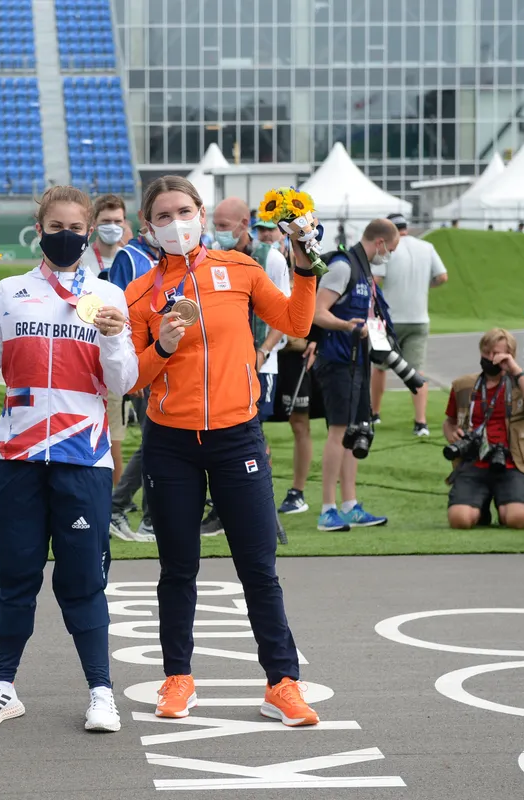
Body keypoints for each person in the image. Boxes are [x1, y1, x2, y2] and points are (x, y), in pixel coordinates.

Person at [124, 175, 321, 726]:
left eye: (183, 211)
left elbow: (296, 322)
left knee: (258, 567)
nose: (176, 223)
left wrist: (305, 266)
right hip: (170, 444)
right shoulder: (139, 293)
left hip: (238, 437)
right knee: (177, 568)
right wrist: (162, 343)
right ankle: (177, 679)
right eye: (162, 216)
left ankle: (282, 683)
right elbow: (131, 379)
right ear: (148, 227)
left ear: (203, 212)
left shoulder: (241, 269)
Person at [0, 185, 137, 731]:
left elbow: (122, 383)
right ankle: (1, 686)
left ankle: (102, 692)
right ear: (40, 230)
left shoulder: (108, 297)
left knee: (83, 581)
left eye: (77, 226)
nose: (67, 235)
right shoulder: (9, 291)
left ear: (90, 228)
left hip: (84, 456)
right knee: (17, 575)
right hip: (19, 454)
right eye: (56, 226)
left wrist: (117, 341)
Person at [197, 196, 291, 538]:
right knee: (225, 436)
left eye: (223, 226)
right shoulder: (212, 256)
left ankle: (258, 511)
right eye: (215, 225)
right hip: (222, 364)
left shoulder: (272, 258)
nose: (217, 232)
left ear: (243, 224)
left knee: (253, 436)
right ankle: (227, 508)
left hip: (260, 362)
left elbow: (284, 311)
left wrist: (263, 351)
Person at [311, 219, 397, 532]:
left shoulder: (364, 270)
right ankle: (327, 509)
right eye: (391, 249)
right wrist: (349, 327)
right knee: (338, 432)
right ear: (380, 242)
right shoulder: (345, 267)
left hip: (358, 360)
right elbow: (318, 313)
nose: (389, 256)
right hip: (336, 361)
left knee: (356, 430)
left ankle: (349, 504)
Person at [443, 329, 524, 529]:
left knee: (517, 520)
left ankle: (504, 502)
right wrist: (451, 433)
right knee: (460, 520)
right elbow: (449, 421)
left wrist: (515, 370)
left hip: (511, 462)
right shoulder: (464, 385)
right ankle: (479, 507)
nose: (491, 358)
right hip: (474, 461)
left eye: (497, 354)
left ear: (510, 356)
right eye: (487, 353)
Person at [256, 220, 320, 515]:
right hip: (264, 355)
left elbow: (319, 301)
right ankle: (256, 489)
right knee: (254, 425)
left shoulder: (305, 256)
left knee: (299, 423)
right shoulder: (257, 259)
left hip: (295, 353)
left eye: (272, 229)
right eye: (261, 229)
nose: (266, 234)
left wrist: (317, 339)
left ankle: (297, 492)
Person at [108, 210, 162, 543]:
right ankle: (135, 512)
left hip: (167, 360)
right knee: (154, 443)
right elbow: (118, 314)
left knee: (157, 443)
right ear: (145, 223)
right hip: (143, 363)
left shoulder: (168, 257)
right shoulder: (130, 257)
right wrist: (132, 371)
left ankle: (127, 509)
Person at [369, 213, 447, 436]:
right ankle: (420, 422)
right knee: (416, 371)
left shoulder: (387, 248)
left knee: (380, 368)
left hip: (388, 319)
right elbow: (442, 277)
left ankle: (375, 413)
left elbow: (376, 280)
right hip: (419, 318)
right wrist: (423, 285)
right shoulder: (427, 247)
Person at [81, 195, 130, 484]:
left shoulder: (132, 258)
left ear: (126, 224)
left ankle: (117, 504)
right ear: (94, 225)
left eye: (117, 221)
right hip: (87, 354)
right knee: (98, 434)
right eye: (106, 222)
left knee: (117, 435)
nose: (112, 227)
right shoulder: (80, 259)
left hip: (122, 355)